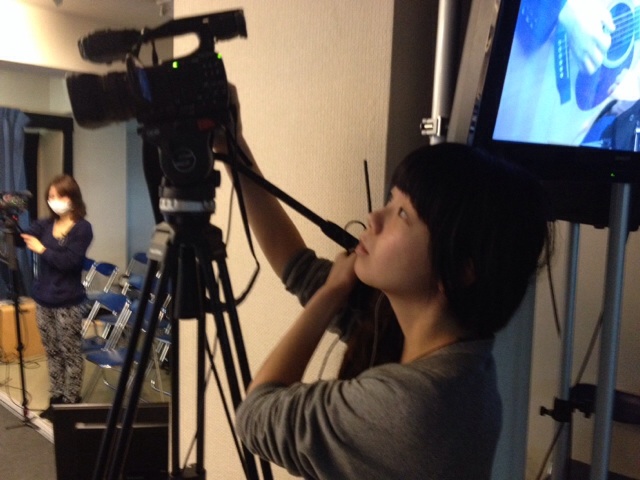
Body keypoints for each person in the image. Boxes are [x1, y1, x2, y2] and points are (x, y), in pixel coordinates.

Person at [215, 88, 553, 479]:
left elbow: (256, 416)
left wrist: (330, 294)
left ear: (461, 270)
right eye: (391, 201)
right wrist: (234, 146)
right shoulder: (454, 356)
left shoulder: (414, 408)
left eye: (403, 214)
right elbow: (297, 267)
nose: (375, 218)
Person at [21, 174, 93, 419]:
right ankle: (56, 398)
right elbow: (23, 239)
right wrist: (11, 221)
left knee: (69, 352)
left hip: (68, 301)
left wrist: (42, 249)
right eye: (51, 196)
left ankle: (71, 401)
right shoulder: (44, 224)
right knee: (51, 351)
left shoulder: (82, 228)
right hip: (44, 299)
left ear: (72, 197)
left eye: (60, 196)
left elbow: (69, 261)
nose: (54, 200)